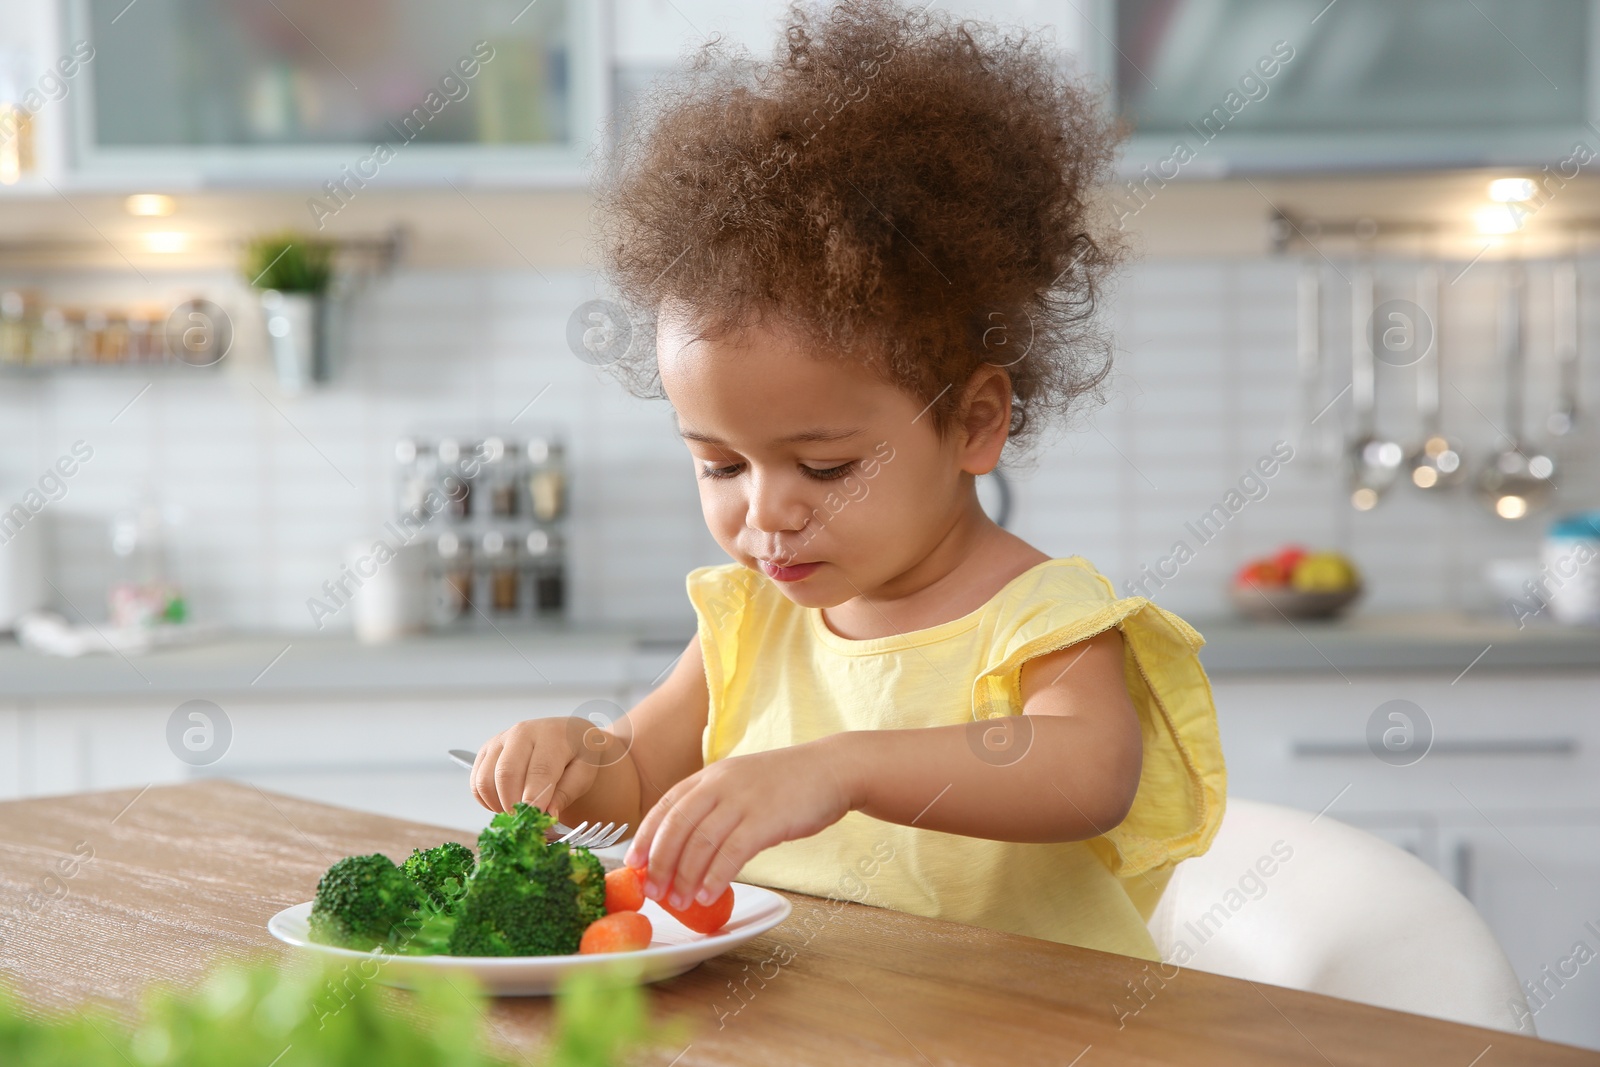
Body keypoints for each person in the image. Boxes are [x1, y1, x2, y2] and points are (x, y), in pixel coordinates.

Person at [471, 0, 1225, 960]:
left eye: (823, 466)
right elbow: (637, 776)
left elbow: (1084, 775)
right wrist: (570, 756)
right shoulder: (753, 621)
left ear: (974, 423)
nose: (765, 509)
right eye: (720, 463)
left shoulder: (1043, 618)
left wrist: (840, 769)